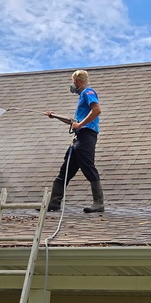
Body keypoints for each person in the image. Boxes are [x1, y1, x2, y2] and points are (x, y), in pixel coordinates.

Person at [44, 69, 104, 213]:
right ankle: (53, 204)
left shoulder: (88, 92)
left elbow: (96, 110)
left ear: (76, 81)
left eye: (73, 82)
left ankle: (99, 204)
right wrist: (55, 116)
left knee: (88, 167)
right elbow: (74, 122)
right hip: (79, 138)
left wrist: (80, 124)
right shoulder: (82, 97)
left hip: (87, 136)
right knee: (65, 171)